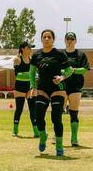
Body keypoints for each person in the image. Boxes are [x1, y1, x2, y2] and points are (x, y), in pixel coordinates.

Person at [29, 29, 69, 157]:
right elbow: (31, 73)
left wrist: (61, 78)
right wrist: (32, 87)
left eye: (49, 37)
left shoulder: (60, 54)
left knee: (56, 118)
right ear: (41, 39)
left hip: (58, 89)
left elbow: (69, 71)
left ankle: (59, 145)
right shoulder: (36, 55)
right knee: (38, 115)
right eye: (44, 37)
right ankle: (43, 135)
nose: (46, 39)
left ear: (53, 39)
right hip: (42, 89)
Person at [61, 32, 89, 147]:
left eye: (72, 39)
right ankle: (57, 136)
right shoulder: (60, 54)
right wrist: (64, 72)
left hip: (75, 87)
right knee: (58, 112)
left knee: (74, 113)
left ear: (75, 41)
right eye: (68, 38)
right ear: (65, 40)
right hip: (61, 86)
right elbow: (57, 69)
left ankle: (74, 138)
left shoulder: (81, 55)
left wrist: (73, 71)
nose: (70, 41)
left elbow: (85, 69)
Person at [12, 42, 35, 137]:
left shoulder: (31, 60)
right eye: (28, 47)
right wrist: (29, 74)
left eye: (31, 48)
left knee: (33, 109)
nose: (30, 49)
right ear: (22, 49)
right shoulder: (17, 59)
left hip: (29, 87)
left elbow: (33, 74)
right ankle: (15, 130)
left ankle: (36, 131)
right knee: (19, 109)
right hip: (20, 87)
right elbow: (17, 74)